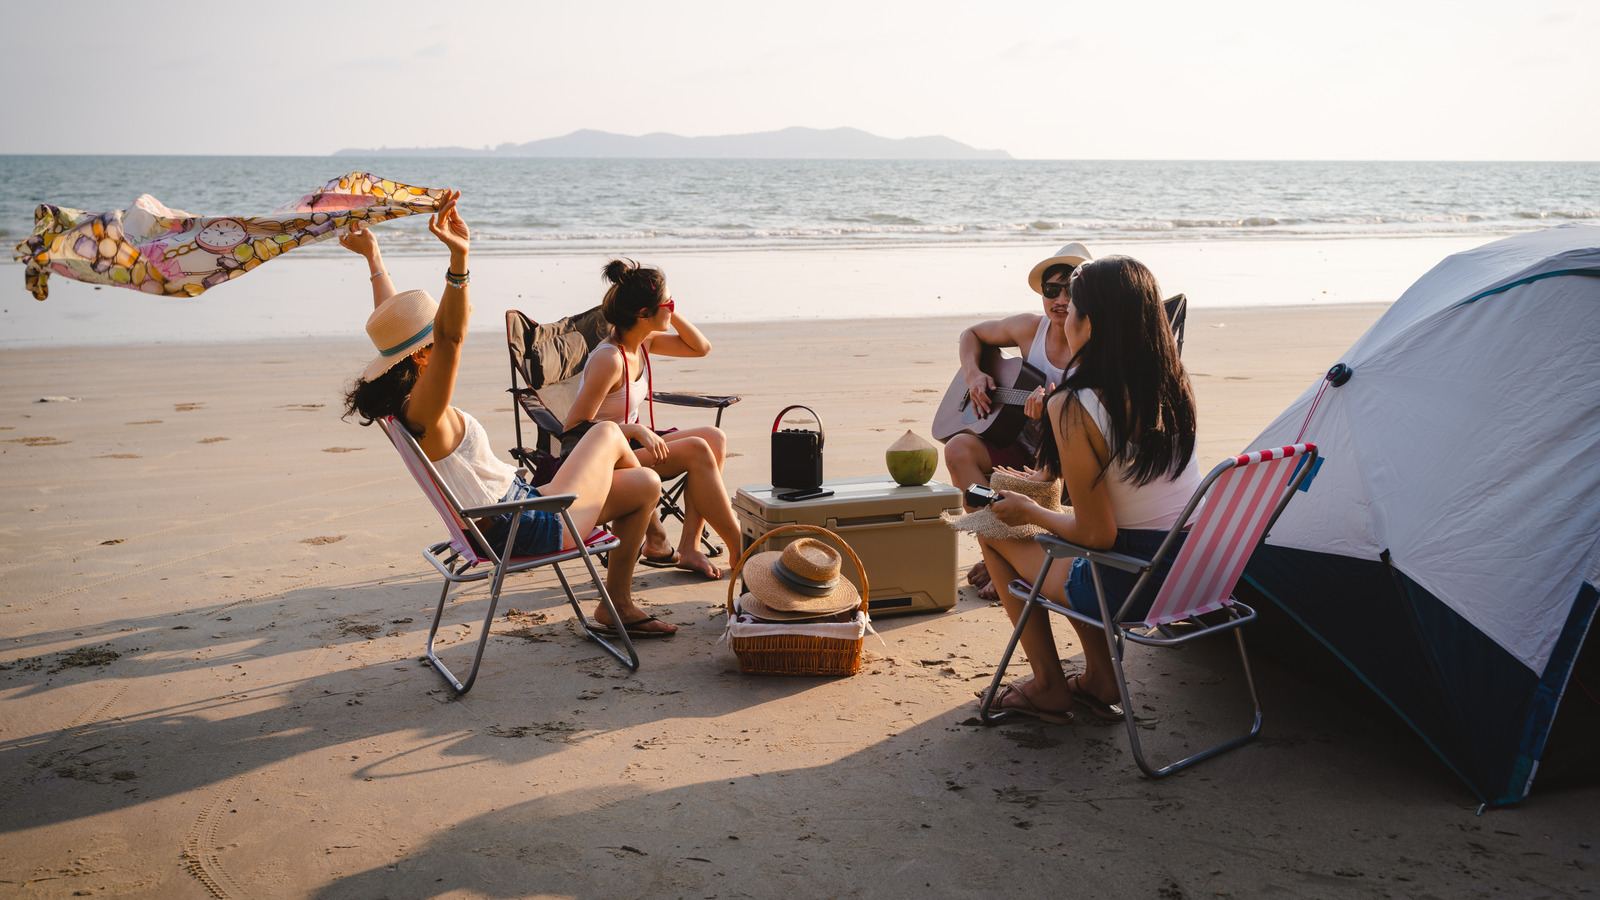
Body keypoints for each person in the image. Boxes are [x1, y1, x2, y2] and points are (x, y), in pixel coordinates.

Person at [340, 194, 677, 638]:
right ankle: (638, 571)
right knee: (612, 433)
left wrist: (374, 259)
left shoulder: (403, 403)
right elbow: (450, 338)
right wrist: (460, 259)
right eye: (431, 345)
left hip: (517, 509)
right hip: (525, 526)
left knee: (646, 483)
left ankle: (624, 592)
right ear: (423, 357)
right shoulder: (427, 412)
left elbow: (397, 327)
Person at [975, 255, 1200, 722]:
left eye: (1073, 305)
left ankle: (1048, 686)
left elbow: (1096, 535)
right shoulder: (1173, 384)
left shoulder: (1075, 403)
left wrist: (1029, 511)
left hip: (1133, 582)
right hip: (1196, 572)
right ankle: (1099, 678)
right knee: (1066, 544)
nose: (1065, 314)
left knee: (992, 528)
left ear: (1092, 323)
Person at [561, 259, 742, 580]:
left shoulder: (644, 342)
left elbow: (702, 348)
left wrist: (667, 310)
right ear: (643, 314)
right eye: (667, 304)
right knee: (700, 448)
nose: (672, 308)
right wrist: (632, 429)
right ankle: (741, 548)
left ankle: (689, 546)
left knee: (714, 438)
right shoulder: (610, 360)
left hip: (633, 446)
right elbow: (573, 430)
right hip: (606, 460)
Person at [947, 242, 1092, 599]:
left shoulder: (1094, 344)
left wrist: (1055, 419)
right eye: (1051, 290)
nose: (1060, 300)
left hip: (1068, 461)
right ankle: (997, 554)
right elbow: (971, 335)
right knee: (958, 450)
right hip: (1020, 445)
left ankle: (1020, 565)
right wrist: (973, 375)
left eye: (1070, 290)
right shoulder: (1030, 329)